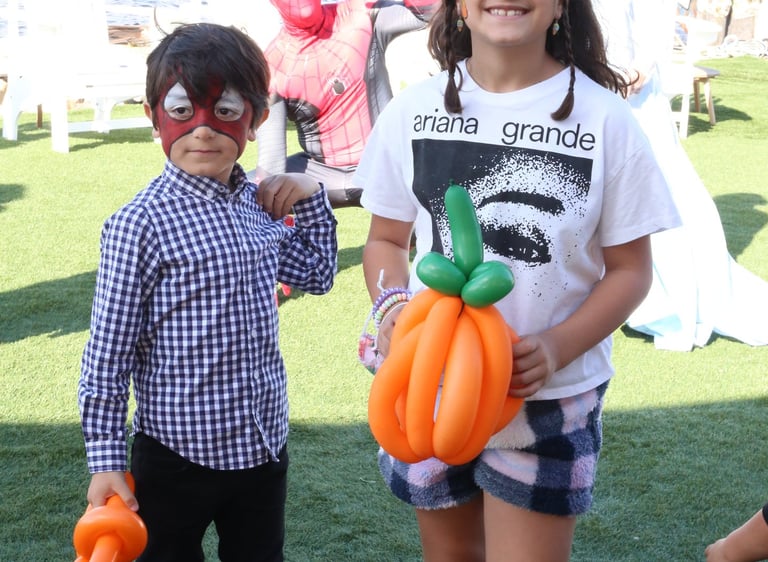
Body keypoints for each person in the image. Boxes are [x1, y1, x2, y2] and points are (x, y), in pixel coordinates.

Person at [354, 0, 680, 560]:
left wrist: (556, 348)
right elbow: (385, 239)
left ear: (559, 6)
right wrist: (390, 310)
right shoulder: (412, 110)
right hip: (433, 386)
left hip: (549, 400)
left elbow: (631, 272)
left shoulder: (606, 120)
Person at [77, 23, 337, 561]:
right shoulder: (138, 225)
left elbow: (316, 273)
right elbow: (107, 354)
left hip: (262, 446)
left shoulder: (255, 204)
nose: (202, 130)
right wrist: (105, 458)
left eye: (223, 112)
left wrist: (310, 195)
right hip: (175, 456)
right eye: (181, 111)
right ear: (155, 118)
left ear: (256, 117)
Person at [593, 0, 768, 351]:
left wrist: (638, 69)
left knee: (654, 194)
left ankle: (668, 295)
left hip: (625, 88)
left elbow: (655, 19)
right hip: (581, 85)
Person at [254, 0, 436, 208]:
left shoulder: (359, 15)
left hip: (386, 162)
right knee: (248, 192)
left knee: (429, 219)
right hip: (320, 174)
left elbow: (429, 12)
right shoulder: (271, 67)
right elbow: (271, 165)